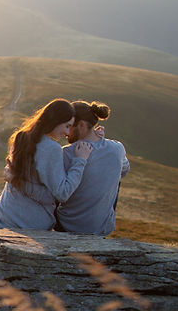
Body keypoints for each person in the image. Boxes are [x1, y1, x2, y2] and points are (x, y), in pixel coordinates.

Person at [0, 99, 94, 230]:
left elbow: (18, 181)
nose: (67, 132)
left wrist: (17, 182)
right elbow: (62, 194)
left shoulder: (22, 137)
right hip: (25, 227)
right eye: (67, 126)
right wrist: (80, 160)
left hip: (0, 217)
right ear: (56, 121)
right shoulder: (52, 148)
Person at [55, 100, 129, 236]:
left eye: (69, 126)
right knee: (115, 176)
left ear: (81, 125)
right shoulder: (117, 148)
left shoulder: (66, 153)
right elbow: (124, 170)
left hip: (66, 226)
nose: (66, 132)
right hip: (102, 229)